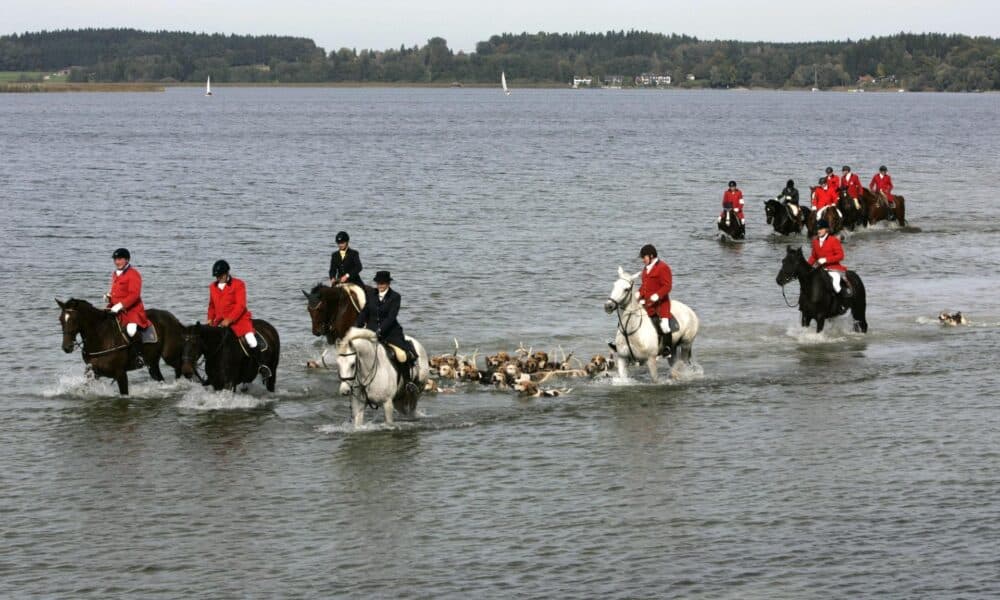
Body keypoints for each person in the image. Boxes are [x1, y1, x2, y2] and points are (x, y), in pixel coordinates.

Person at [207, 260, 269, 377]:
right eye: (216, 276)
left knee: (251, 340)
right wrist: (210, 319)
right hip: (219, 321)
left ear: (227, 273)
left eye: (220, 276)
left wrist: (229, 320)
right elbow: (211, 306)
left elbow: (240, 306)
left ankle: (261, 366)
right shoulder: (212, 287)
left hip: (239, 320)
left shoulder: (238, 284)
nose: (218, 278)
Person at [106, 248, 150, 368]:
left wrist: (120, 305)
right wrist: (109, 298)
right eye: (115, 259)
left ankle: (140, 356)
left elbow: (134, 295)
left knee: (131, 330)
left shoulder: (133, 274)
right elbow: (117, 292)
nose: (117, 262)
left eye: (120, 259)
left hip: (133, 311)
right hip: (117, 309)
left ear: (127, 260)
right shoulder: (115, 274)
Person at [637, 244, 675, 358]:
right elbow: (644, 286)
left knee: (664, 326)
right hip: (647, 304)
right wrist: (638, 294)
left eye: (644, 257)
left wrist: (657, 295)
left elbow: (667, 286)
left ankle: (667, 349)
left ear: (651, 256)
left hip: (660, 304)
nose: (643, 260)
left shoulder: (663, 267)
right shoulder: (646, 269)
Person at [807, 219, 851, 298]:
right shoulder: (815, 241)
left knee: (836, 285)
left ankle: (845, 299)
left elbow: (841, 256)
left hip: (833, 268)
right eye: (817, 229)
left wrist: (826, 259)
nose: (819, 231)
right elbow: (813, 256)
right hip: (819, 268)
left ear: (826, 229)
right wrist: (807, 265)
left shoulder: (834, 240)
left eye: (821, 229)